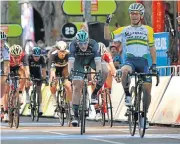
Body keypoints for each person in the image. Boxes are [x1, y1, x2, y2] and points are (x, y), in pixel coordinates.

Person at [105, 3, 157, 128]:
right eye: (132, 14)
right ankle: (127, 95)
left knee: (148, 91)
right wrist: (106, 24)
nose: (134, 16)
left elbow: (152, 47)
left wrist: (154, 64)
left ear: (141, 15)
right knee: (124, 71)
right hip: (130, 61)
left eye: (136, 14)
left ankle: (144, 115)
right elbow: (107, 36)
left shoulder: (148, 30)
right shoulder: (124, 30)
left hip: (143, 62)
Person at [68, 29, 109, 126]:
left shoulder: (93, 44)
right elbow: (71, 62)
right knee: (77, 86)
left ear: (88, 41)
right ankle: (76, 115)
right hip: (78, 62)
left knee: (105, 71)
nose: (83, 46)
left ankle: (94, 93)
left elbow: (98, 61)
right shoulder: (72, 45)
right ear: (77, 42)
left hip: (91, 60)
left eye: (85, 43)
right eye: (80, 44)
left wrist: (98, 73)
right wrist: (71, 74)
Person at [49, 41, 72, 108]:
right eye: (61, 51)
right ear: (57, 50)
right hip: (55, 68)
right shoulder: (53, 55)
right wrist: (53, 77)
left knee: (69, 86)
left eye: (64, 51)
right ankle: (54, 96)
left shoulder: (69, 54)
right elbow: (52, 69)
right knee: (53, 83)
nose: (62, 54)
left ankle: (69, 104)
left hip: (64, 68)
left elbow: (72, 66)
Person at [25, 46, 48, 115]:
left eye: (38, 56)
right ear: (32, 55)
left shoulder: (42, 58)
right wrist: (28, 77)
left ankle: (40, 107)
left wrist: (44, 78)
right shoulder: (29, 58)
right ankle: (27, 94)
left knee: (39, 90)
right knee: (28, 82)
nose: (36, 58)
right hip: (30, 72)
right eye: (35, 56)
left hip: (38, 73)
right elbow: (26, 68)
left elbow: (44, 70)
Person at [0, 30, 10, 122]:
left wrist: (6, 76)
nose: (1, 43)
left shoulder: (6, 48)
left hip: (1, 63)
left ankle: (3, 110)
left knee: (3, 85)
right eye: (0, 41)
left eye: (3, 41)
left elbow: (6, 64)